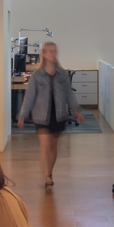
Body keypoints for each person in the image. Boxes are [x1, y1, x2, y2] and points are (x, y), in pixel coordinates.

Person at [18, 41, 81, 189]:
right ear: (44, 54)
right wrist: (22, 115)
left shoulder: (62, 75)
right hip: (41, 115)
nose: (53, 54)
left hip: (58, 114)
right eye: (50, 51)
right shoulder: (36, 75)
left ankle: (50, 173)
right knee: (45, 146)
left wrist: (76, 110)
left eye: (55, 51)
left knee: (53, 147)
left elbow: (69, 94)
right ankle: (46, 176)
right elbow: (29, 97)